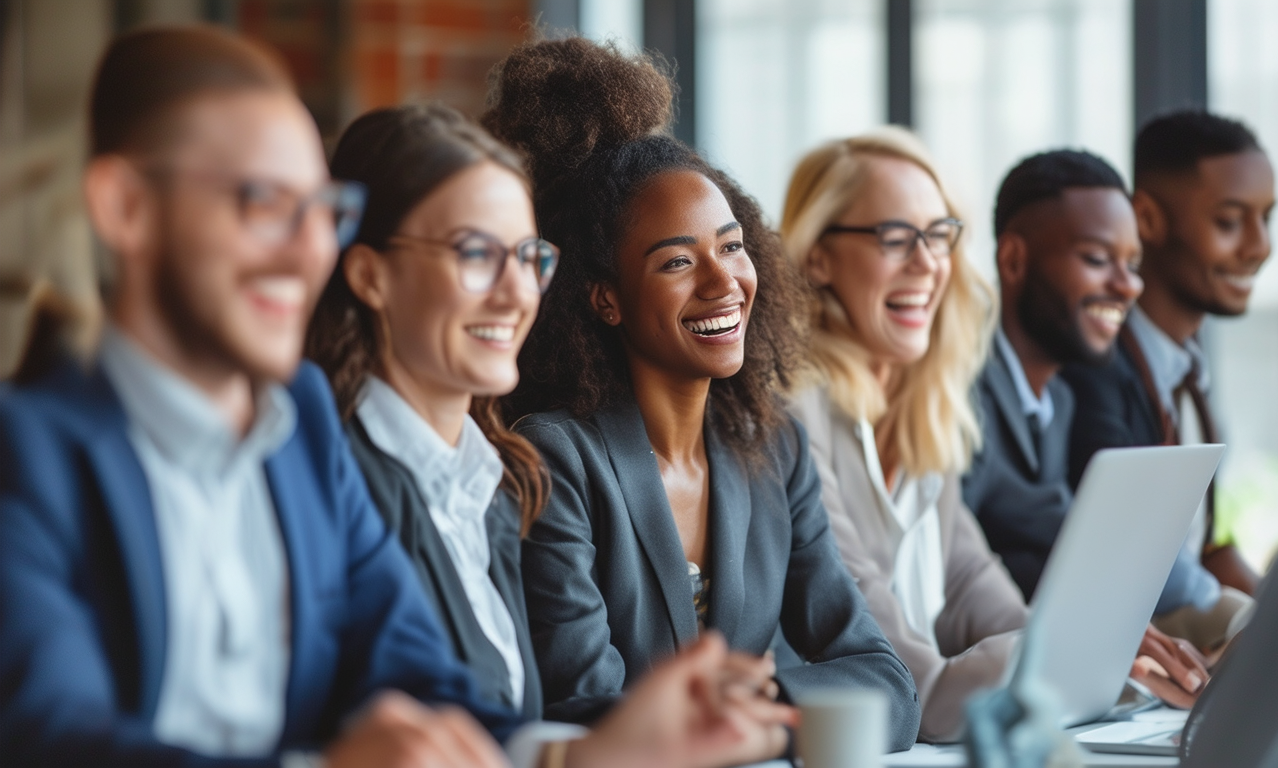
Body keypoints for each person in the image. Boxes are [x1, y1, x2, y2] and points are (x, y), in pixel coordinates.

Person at [0, 25, 795, 768]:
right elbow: (52, 736)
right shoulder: (26, 453)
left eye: (322, 211)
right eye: (261, 204)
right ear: (126, 209)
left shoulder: (298, 432)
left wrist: (590, 752)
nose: (309, 246)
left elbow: (423, 683)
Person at [482, 37, 921, 752]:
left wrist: (760, 712)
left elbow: (887, 687)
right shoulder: (555, 458)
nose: (723, 283)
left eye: (733, 245)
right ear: (605, 299)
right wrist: (773, 721)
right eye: (678, 261)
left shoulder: (772, 446)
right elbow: (586, 708)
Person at [306, 104, 554, 721]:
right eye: (476, 254)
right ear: (370, 274)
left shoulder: (494, 483)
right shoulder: (329, 479)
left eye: (528, 257)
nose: (518, 291)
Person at [778, 126, 1025, 742]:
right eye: (895, 238)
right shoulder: (791, 410)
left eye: (940, 236)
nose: (928, 263)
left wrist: (1093, 649)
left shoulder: (924, 410)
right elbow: (923, 693)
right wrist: (1060, 655)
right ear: (818, 255)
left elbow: (975, 589)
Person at [960, 149, 1210, 706]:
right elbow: (958, 578)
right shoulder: (953, 397)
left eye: (1133, 263)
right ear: (1015, 259)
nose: (1129, 286)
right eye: (1098, 259)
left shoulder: (1062, 404)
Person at [1061, 111, 1271, 651]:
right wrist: (1261, 629)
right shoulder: (1092, 374)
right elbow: (1140, 562)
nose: (1259, 246)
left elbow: (1209, 550)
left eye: (1265, 219)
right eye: (1230, 222)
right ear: (1147, 219)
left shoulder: (1187, 372)